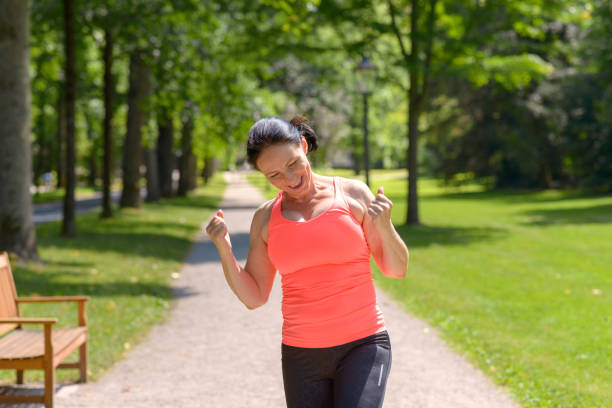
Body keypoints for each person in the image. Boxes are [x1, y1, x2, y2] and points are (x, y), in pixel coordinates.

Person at [205, 116, 409, 408]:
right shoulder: (265, 219)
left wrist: (385, 225)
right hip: (302, 355)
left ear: (303, 145)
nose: (289, 179)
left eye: (292, 164)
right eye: (274, 175)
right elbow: (254, 296)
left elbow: (397, 269)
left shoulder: (352, 195)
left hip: (364, 344)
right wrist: (224, 250)